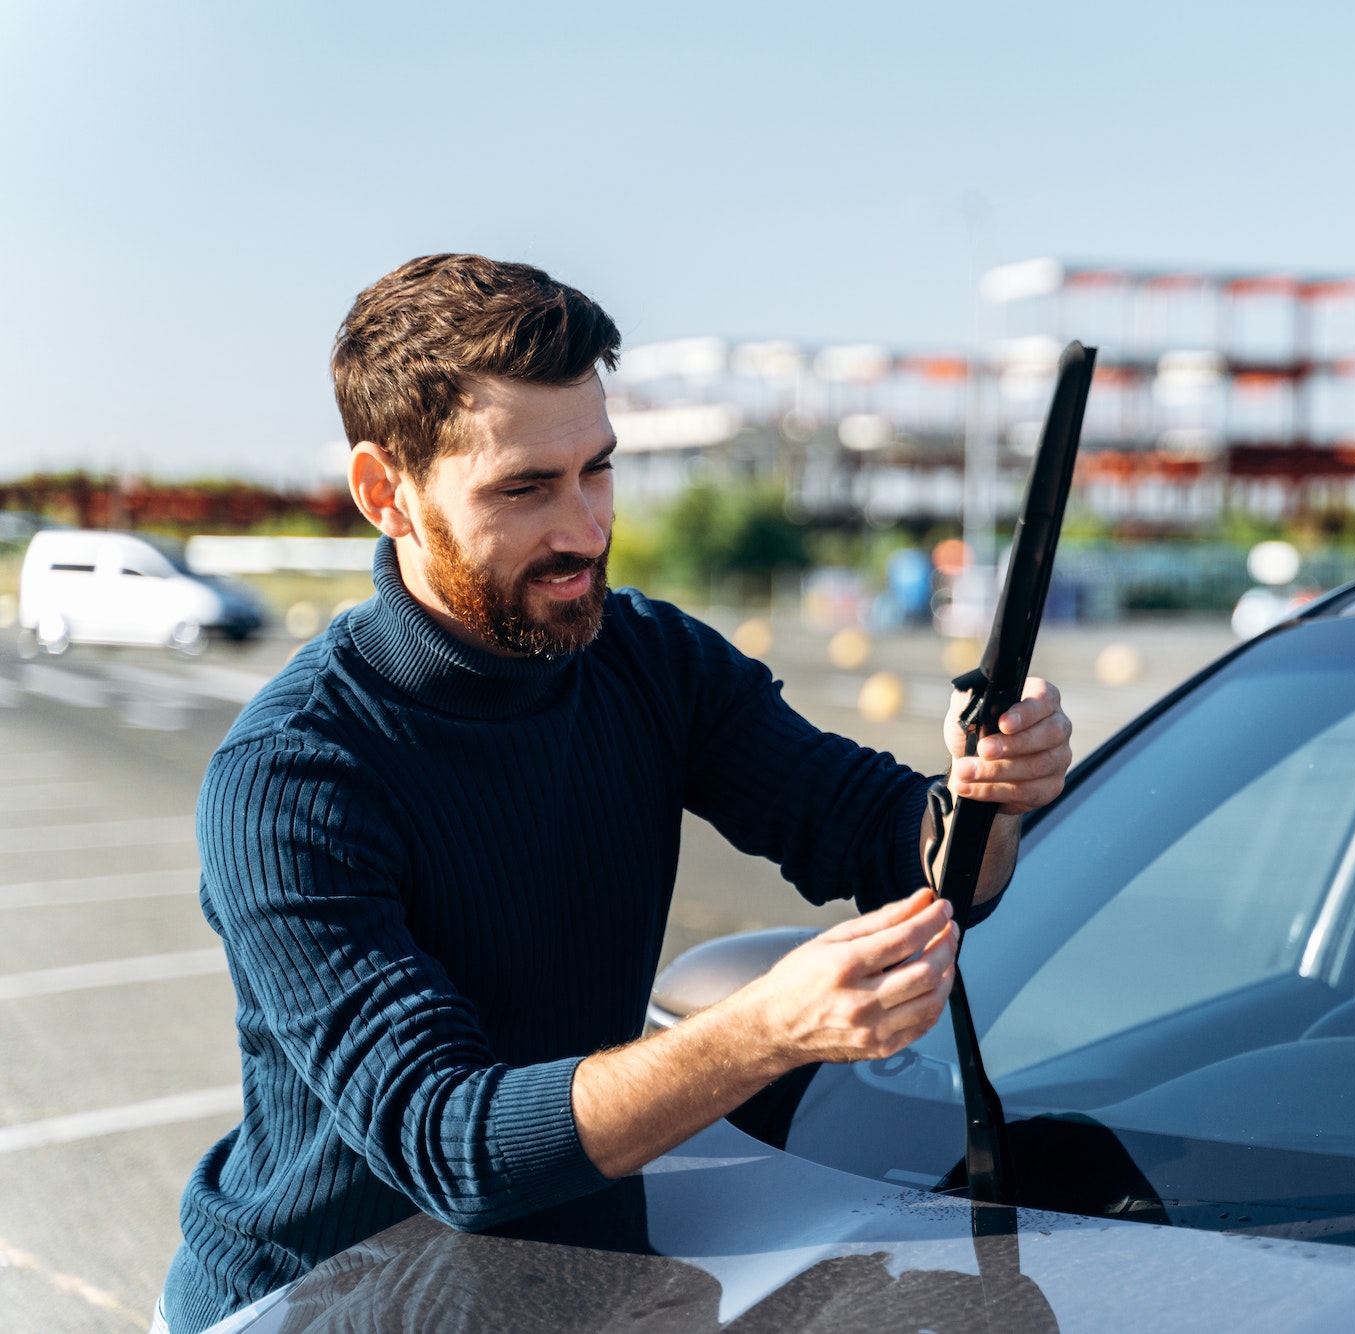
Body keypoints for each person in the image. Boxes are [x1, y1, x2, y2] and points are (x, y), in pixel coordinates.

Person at [157, 255, 1073, 1333]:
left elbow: (888, 841)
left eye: (597, 469)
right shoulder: (292, 777)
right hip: (316, 1304)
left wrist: (987, 796)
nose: (585, 528)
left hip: (569, 1293)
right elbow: (452, 1147)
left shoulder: (650, 662)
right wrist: (764, 1029)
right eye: (523, 489)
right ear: (384, 492)